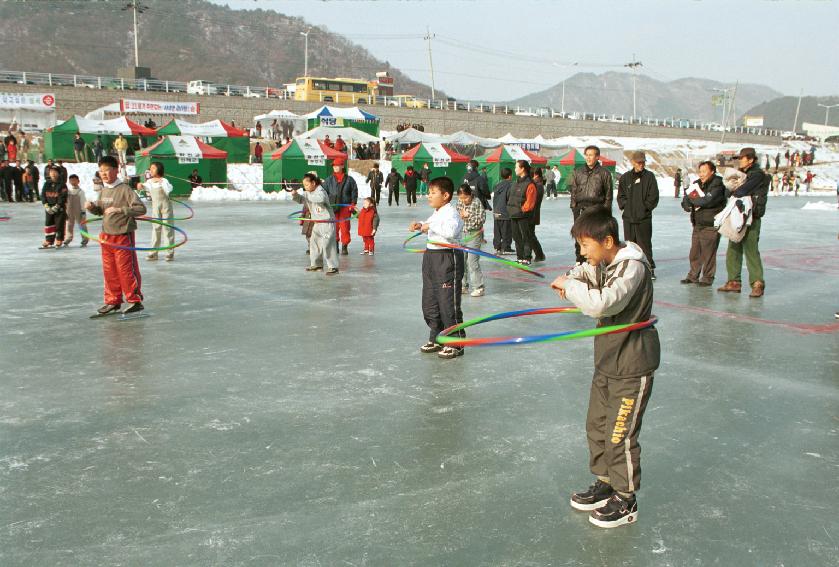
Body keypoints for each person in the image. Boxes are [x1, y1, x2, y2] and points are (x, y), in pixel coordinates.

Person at [551, 205, 659, 529]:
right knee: (596, 426)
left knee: (619, 434)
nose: (582, 252)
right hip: (607, 362)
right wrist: (571, 278)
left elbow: (603, 302)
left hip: (632, 362)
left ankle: (626, 499)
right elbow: (585, 272)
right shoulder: (606, 262)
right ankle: (606, 483)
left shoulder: (632, 269)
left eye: (586, 245)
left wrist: (570, 288)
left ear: (607, 240)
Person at [409, 177, 465, 360]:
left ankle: (455, 342)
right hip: (431, 258)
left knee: (447, 302)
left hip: (447, 259)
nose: (429, 196)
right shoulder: (437, 212)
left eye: (433, 192)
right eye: (428, 192)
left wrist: (428, 226)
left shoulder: (452, 213)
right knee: (430, 301)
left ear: (446, 195)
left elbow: (450, 232)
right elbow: (431, 225)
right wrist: (420, 225)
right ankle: (437, 336)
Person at [86, 156, 147, 316]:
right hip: (106, 236)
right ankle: (113, 301)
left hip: (122, 235)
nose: (103, 174)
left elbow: (141, 209)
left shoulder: (125, 190)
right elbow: (101, 211)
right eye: (101, 171)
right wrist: (92, 208)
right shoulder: (104, 190)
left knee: (126, 269)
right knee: (109, 270)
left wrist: (120, 210)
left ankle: (135, 301)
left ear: (116, 170)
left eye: (107, 170)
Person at [717, 147, 770, 298]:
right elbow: (728, 192)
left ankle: (757, 283)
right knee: (733, 248)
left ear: (751, 159)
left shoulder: (757, 175)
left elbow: (741, 191)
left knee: (751, 250)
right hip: (737, 215)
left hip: (751, 216)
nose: (740, 160)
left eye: (742, 158)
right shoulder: (742, 173)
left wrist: (734, 185)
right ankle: (734, 281)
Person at [680, 161, 726, 285]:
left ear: (712, 172)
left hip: (710, 224)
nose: (701, 174)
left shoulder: (718, 185)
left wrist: (692, 200)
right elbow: (686, 199)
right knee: (694, 252)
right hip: (698, 223)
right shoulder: (696, 184)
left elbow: (707, 201)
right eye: (700, 171)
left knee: (709, 253)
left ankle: (707, 277)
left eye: (704, 171)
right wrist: (687, 204)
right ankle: (693, 275)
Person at [616, 151, 660, 279]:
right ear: (633, 162)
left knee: (645, 245)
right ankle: (631, 269)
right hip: (628, 218)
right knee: (630, 246)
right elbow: (621, 196)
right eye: (639, 162)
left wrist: (644, 208)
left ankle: (649, 269)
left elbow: (654, 197)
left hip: (643, 218)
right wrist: (627, 206)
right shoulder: (625, 178)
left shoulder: (649, 177)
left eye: (643, 162)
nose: (641, 164)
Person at [568, 145, 613, 264]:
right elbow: (574, 190)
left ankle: (596, 260)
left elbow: (608, 195)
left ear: (597, 157)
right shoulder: (578, 172)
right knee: (579, 235)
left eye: (591, 155)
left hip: (596, 209)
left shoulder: (604, 173)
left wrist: (606, 213)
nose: (588, 158)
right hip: (580, 209)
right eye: (587, 155)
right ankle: (579, 260)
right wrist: (574, 207)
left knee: (595, 236)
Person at [287, 172, 339, 275]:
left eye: (307, 185)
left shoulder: (321, 191)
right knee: (314, 243)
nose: (305, 187)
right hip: (317, 223)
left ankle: (333, 267)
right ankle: (316, 264)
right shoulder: (307, 192)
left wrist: (307, 195)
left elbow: (320, 199)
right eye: (304, 185)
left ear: (313, 183)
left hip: (326, 222)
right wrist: (295, 195)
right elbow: (302, 200)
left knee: (328, 244)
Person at [137, 161, 175, 261]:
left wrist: (162, 184)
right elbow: (143, 187)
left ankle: (169, 252)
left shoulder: (164, 180)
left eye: (153, 168)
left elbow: (169, 189)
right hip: (155, 208)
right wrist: (140, 185)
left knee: (167, 228)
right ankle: (153, 253)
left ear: (159, 169)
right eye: (150, 168)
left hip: (166, 207)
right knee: (156, 228)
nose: (151, 170)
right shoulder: (150, 182)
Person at [322, 157, 358, 255]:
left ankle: (344, 246)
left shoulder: (350, 180)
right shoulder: (328, 180)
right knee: (334, 228)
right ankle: (336, 246)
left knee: (345, 228)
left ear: (342, 166)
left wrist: (353, 204)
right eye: (334, 166)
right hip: (332, 207)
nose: (335, 167)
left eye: (337, 165)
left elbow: (354, 192)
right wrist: (323, 204)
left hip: (345, 207)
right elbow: (323, 192)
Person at [507, 160, 538, 266]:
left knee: (526, 236)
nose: (515, 169)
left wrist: (522, 210)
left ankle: (527, 257)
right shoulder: (515, 183)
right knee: (516, 236)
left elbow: (530, 202)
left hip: (523, 215)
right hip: (513, 214)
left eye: (516, 167)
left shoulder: (530, 184)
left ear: (522, 168)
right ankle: (520, 257)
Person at [457, 184, 486, 297]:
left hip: (473, 235)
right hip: (462, 235)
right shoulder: (459, 202)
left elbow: (481, 219)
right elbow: (457, 215)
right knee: (461, 262)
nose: (464, 200)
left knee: (472, 262)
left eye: (466, 198)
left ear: (470, 194)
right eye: (461, 198)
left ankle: (478, 287)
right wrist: (461, 216)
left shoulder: (477, 202)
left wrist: (468, 216)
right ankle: (463, 285)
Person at [39, 166, 68, 249]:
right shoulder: (47, 183)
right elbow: (43, 195)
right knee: (49, 224)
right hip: (49, 207)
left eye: (55, 172)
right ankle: (49, 240)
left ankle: (59, 239)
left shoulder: (62, 184)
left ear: (58, 173)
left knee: (59, 224)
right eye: (51, 172)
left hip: (59, 208)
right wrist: (45, 205)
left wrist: (57, 206)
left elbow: (63, 196)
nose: (53, 174)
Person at [492, 167, 514, 255]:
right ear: (510, 176)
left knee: (497, 230)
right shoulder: (511, 185)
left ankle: (497, 246)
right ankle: (506, 247)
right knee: (506, 231)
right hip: (505, 211)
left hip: (496, 211)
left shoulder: (497, 185)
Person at [63, 174, 89, 248]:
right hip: (69, 210)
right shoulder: (68, 191)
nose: (73, 182)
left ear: (78, 181)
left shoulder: (81, 192)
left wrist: (83, 211)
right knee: (69, 225)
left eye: (74, 180)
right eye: (71, 180)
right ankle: (68, 238)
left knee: (82, 225)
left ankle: (85, 239)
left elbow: (83, 202)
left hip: (79, 211)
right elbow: (65, 201)